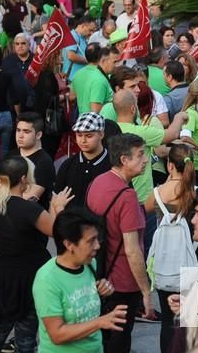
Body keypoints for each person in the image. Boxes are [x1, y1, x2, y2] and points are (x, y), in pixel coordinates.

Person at [0, 155, 72, 353]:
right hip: (31, 276)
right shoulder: (30, 209)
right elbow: (55, 233)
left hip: (4, 276)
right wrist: (57, 208)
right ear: (23, 179)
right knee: (26, 336)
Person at [86, 133, 153, 353]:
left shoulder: (98, 182)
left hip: (101, 274)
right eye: (140, 155)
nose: (145, 160)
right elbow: (132, 249)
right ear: (124, 160)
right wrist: (145, 290)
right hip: (123, 280)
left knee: (104, 337)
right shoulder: (127, 196)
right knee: (120, 340)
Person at [33, 207, 127, 352]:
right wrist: (100, 322)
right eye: (90, 241)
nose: (97, 246)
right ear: (69, 244)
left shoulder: (90, 264)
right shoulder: (47, 280)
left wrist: (104, 288)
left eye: (97, 239)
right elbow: (57, 334)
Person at [144, 144, 197, 353]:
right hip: (190, 260)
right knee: (188, 318)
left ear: (169, 165)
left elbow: (145, 210)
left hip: (166, 263)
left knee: (167, 320)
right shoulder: (196, 194)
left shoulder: (157, 193)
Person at [0, 112, 57, 211]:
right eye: (18, 130)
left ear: (38, 135)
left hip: (29, 220)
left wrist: (2, 189)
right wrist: (18, 193)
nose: (20, 135)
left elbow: (28, 200)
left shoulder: (44, 162)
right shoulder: (10, 155)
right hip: (2, 215)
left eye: (26, 131)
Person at [54, 112, 112, 206]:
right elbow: (55, 198)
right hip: (70, 219)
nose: (83, 140)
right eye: (79, 135)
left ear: (101, 134)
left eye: (89, 136)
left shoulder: (113, 165)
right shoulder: (68, 164)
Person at [71, 43, 118, 115]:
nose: (116, 65)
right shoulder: (100, 78)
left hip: (82, 119)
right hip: (97, 123)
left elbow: (72, 97)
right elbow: (95, 111)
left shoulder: (77, 74)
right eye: (115, 62)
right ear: (101, 58)